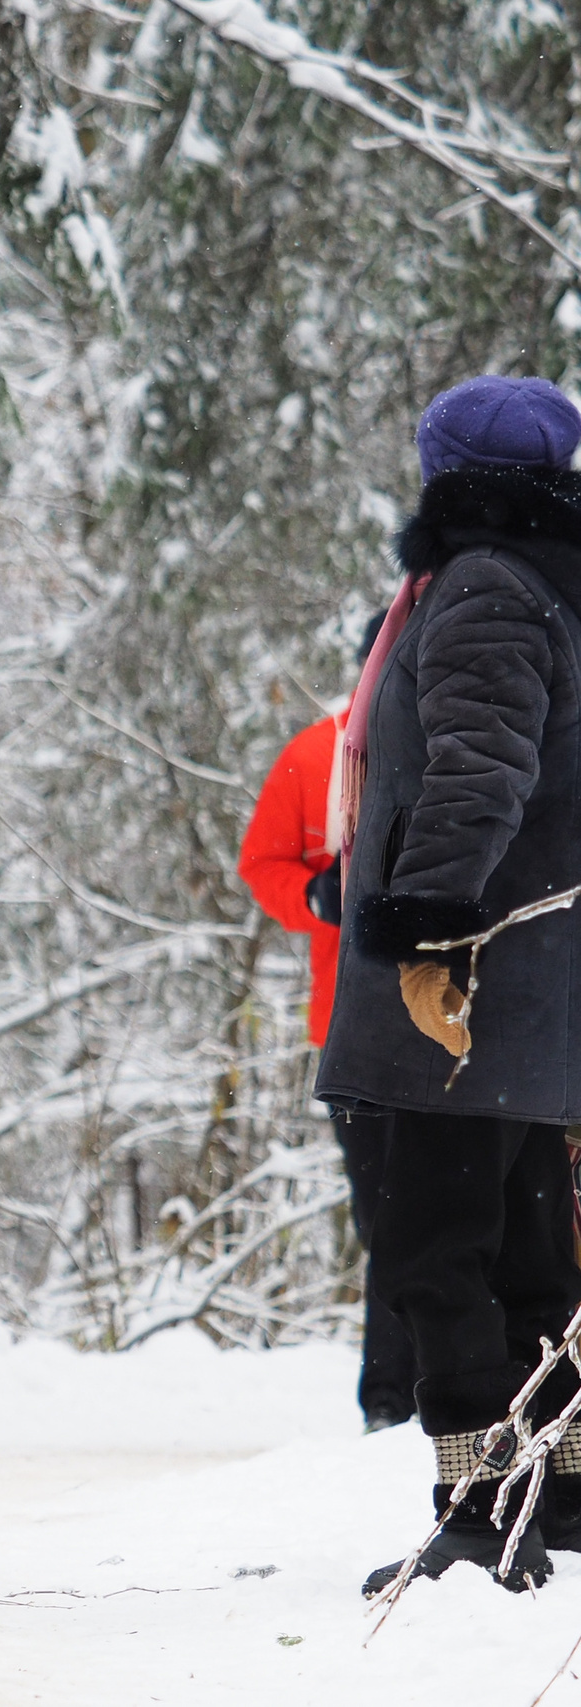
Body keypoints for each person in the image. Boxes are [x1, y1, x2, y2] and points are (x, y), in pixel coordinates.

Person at [317, 376, 581, 1596]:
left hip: (473, 984)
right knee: (527, 1251)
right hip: (533, 981)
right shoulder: (541, 580)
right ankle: (555, 1496)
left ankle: (477, 1509)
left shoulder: (480, 586)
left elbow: (480, 764)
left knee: (435, 1252)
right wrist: (358, 882)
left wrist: (424, 927)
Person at [237, 616, 411, 1433]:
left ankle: (427, 1387)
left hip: (453, 1020)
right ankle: (388, 1395)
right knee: (382, 1208)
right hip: (344, 1018)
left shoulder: (457, 736)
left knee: (442, 1204)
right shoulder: (316, 753)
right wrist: (314, 897)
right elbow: (262, 861)